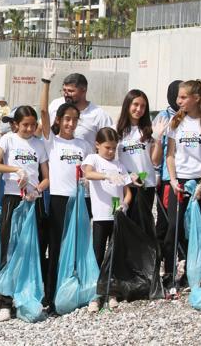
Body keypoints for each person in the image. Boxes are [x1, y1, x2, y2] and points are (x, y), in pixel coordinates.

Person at [39, 62, 92, 313]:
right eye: (66, 119)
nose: (71, 123)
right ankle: (50, 297)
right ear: (59, 121)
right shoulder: (51, 141)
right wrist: (46, 82)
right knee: (57, 248)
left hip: (78, 201)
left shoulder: (83, 145)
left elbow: (90, 171)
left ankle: (71, 292)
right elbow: (42, 111)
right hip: (59, 200)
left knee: (77, 249)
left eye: (74, 119)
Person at [0, 105, 50, 322]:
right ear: (16, 124)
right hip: (13, 200)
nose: (30, 128)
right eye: (25, 125)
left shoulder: (40, 144)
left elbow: (46, 177)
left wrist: (37, 189)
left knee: (33, 250)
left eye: (33, 125)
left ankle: (28, 296)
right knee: (9, 248)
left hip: (33, 201)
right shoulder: (8, 140)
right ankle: (5, 302)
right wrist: (15, 170)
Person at [164, 79, 201, 286]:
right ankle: (169, 274)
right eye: (178, 97)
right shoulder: (175, 122)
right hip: (179, 181)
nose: (178, 101)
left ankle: (195, 272)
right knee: (174, 227)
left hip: (200, 182)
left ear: (196, 98)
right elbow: (170, 155)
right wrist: (172, 179)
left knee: (197, 228)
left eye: (183, 97)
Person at [82, 127, 132, 312]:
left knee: (115, 254)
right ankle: (96, 294)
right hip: (100, 216)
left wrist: (124, 204)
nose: (111, 152)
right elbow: (88, 173)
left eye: (113, 148)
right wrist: (106, 175)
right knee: (97, 254)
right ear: (97, 145)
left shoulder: (120, 165)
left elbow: (128, 192)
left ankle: (112, 292)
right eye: (107, 148)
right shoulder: (93, 159)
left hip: (117, 216)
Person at [116, 89, 166, 223]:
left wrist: (158, 139)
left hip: (145, 185)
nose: (139, 109)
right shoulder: (117, 130)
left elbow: (155, 161)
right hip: (124, 185)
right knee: (121, 223)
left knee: (142, 226)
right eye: (135, 104)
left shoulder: (149, 130)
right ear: (127, 105)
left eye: (143, 106)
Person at [153, 80, 181, 257]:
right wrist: (156, 172)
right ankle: (161, 256)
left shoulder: (190, 116)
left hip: (185, 176)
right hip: (166, 179)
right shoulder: (163, 116)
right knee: (165, 222)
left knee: (181, 221)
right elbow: (157, 146)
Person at [48, 72, 114, 147]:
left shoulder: (99, 115)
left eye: (71, 91)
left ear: (83, 90)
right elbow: (40, 130)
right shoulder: (55, 105)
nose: (66, 94)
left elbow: (110, 143)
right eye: (64, 90)